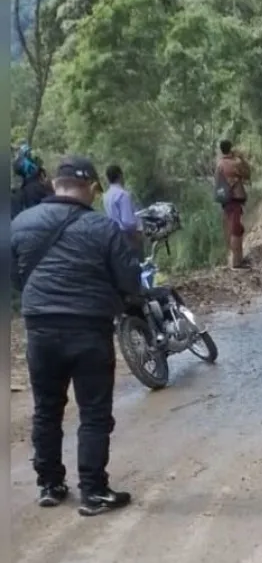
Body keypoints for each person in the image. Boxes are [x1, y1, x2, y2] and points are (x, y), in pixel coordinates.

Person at [11, 155, 141, 516]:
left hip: (39, 330)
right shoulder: (103, 228)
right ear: (90, 188)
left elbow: (14, 277)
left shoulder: (21, 223)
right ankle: (93, 493)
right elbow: (130, 280)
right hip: (89, 330)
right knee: (95, 413)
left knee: (46, 410)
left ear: (55, 184)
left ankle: (49, 484)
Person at [214, 139, 251, 270]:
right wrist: (241, 158)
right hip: (234, 198)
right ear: (231, 148)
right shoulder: (233, 163)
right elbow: (247, 174)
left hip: (226, 200)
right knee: (236, 229)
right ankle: (236, 262)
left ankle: (238, 259)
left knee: (236, 228)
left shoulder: (220, 163)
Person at [102, 165, 142, 258]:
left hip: (113, 236)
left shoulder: (106, 196)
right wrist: (137, 235)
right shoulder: (123, 195)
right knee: (136, 266)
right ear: (120, 176)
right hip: (127, 237)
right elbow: (127, 221)